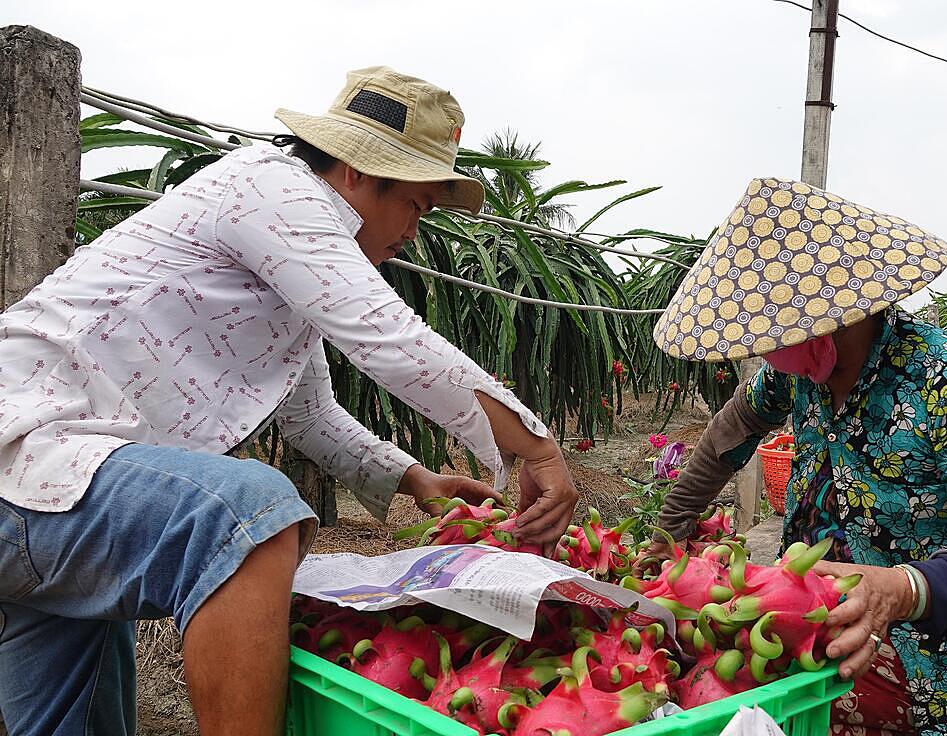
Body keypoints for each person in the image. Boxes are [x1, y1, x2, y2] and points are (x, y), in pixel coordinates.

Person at [0, 67, 578, 736]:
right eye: (417, 205)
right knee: (248, 514)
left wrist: (416, 480)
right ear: (360, 170)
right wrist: (533, 443)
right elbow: (388, 337)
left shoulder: (289, 258)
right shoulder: (270, 186)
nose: (415, 232)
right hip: (28, 455)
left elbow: (309, 415)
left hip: (58, 493)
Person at [643, 179, 947, 734]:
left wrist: (901, 589)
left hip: (943, 664)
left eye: (777, 331)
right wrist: (668, 530)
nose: (767, 349)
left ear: (834, 313)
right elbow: (727, 436)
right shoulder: (794, 378)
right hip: (821, 627)